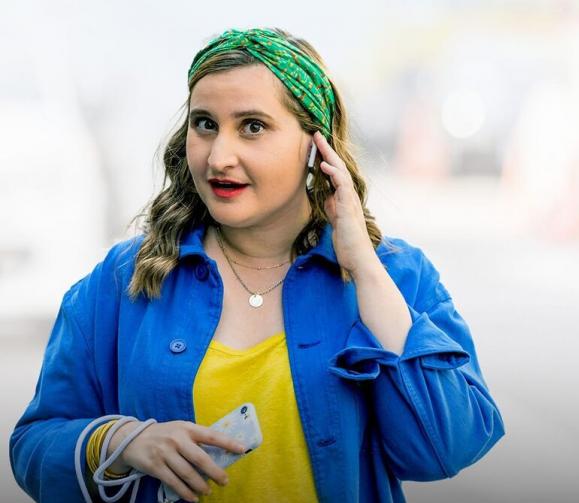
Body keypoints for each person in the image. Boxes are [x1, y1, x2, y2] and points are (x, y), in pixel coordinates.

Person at [9, 26, 505, 503]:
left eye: (253, 127)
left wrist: (365, 269)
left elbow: (445, 450)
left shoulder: (396, 276)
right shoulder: (123, 280)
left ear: (314, 145)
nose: (219, 157)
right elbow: (34, 445)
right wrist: (119, 443)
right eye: (205, 124)